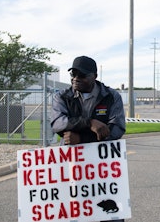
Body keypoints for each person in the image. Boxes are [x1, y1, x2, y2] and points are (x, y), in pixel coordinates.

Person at [51, 55, 126, 222]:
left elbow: (117, 128)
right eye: (73, 74)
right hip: (71, 163)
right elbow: (57, 123)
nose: (76, 79)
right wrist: (89, 123)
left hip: (102, 165)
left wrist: (80, 138)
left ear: (94, 76)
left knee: (110, 212)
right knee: (74, 210)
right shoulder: (61, 96)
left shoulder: (112, 96)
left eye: (82, 75)